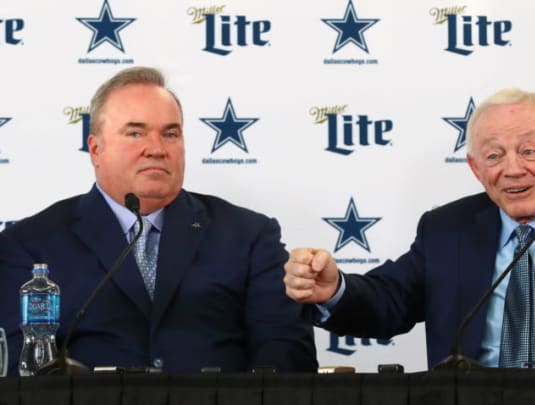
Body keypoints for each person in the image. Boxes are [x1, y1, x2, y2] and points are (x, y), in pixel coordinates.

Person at [283, 87, 535, 370]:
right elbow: (390, 301)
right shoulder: (446, 229)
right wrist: (333, 290)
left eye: (528, 150)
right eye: (493, 155)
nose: (512, 169)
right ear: (475, 168)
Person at [0, 66, 317, 374]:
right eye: (135, 132)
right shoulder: (30, 245)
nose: (156, 149)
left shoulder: (249, 236)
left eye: (170, 134)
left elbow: (287, 356)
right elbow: (18, 370)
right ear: (96, 149)